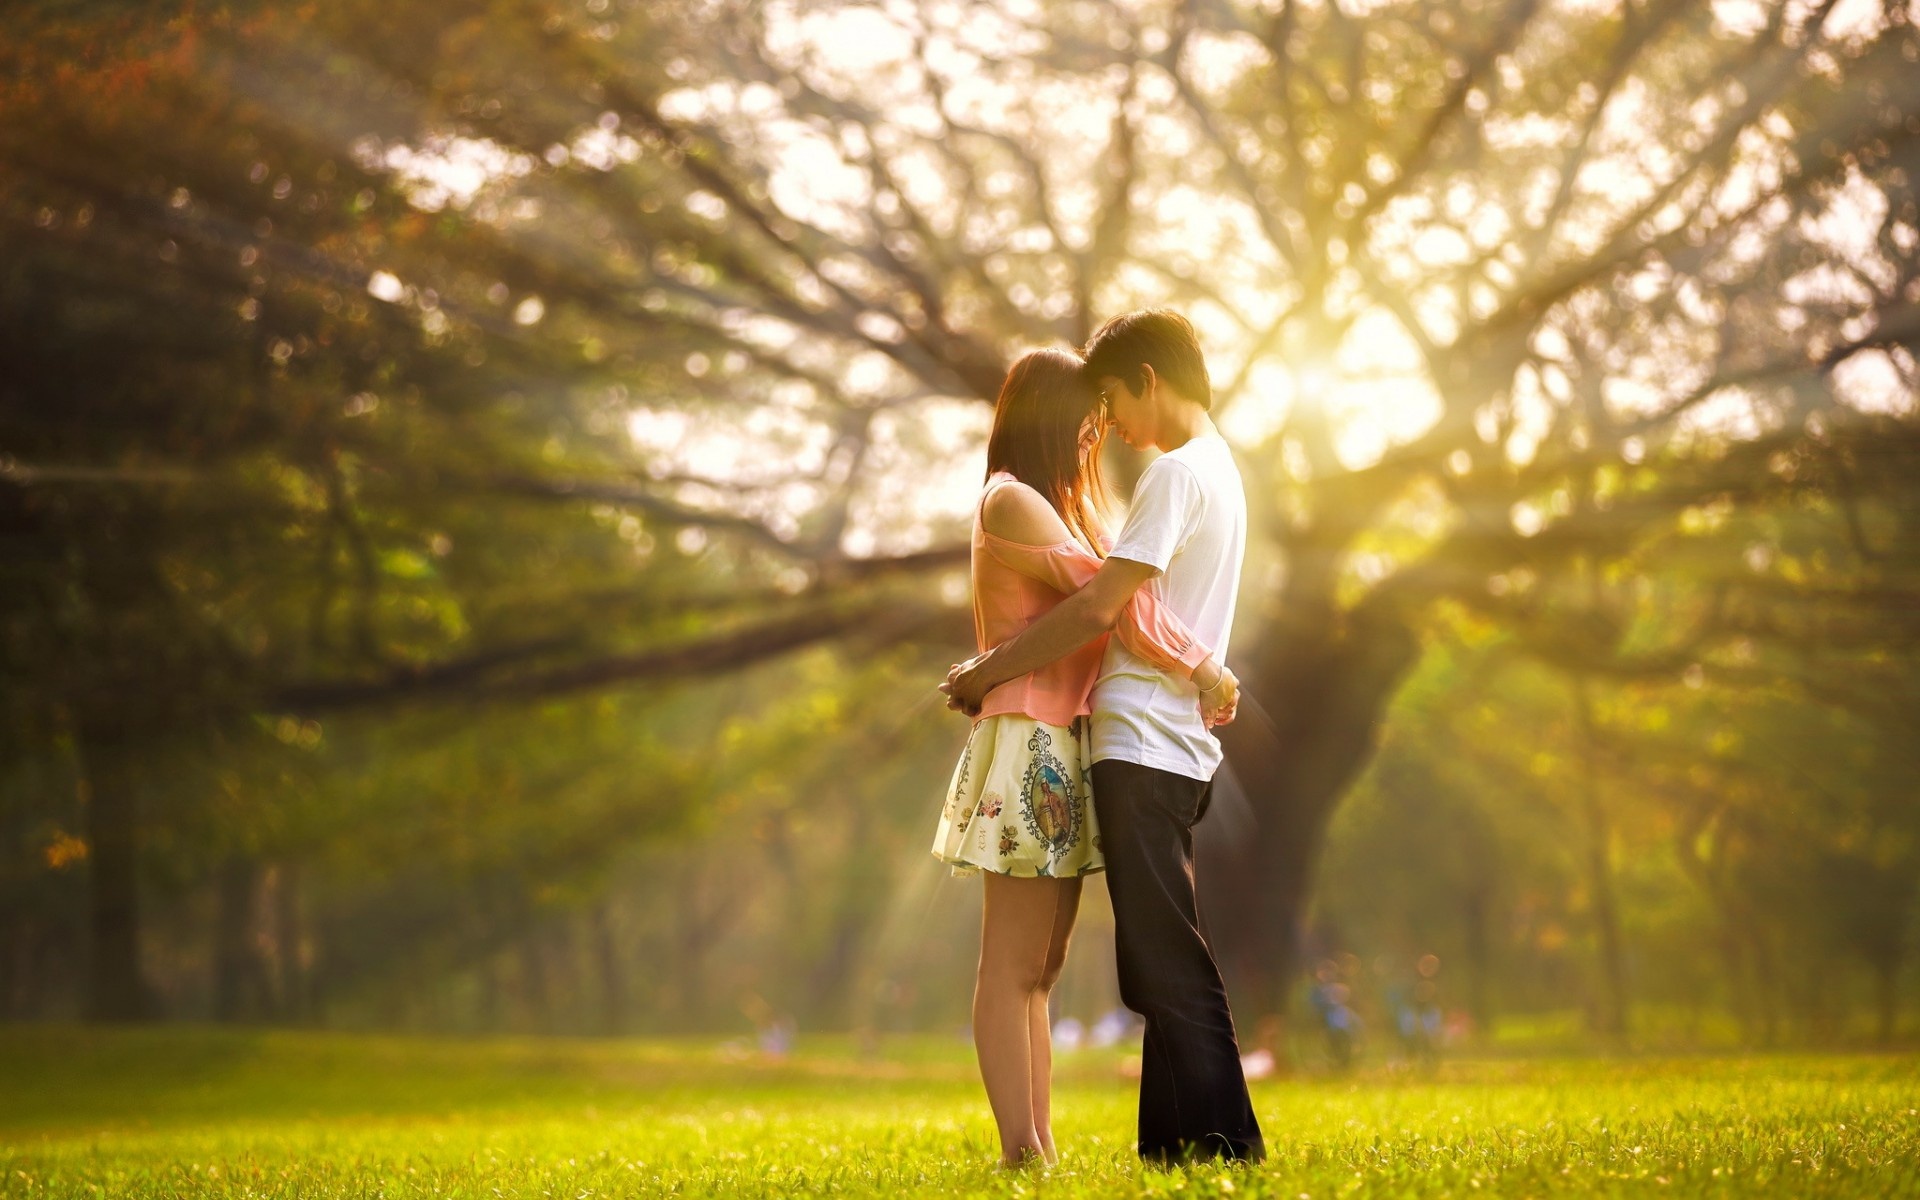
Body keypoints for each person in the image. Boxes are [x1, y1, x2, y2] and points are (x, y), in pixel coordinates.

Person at [944, 309, 1264, 1165]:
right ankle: (1027, 1151)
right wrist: (1205, 666)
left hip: (1069, 743)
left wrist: (1199, 666)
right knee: (1012, 966)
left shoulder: (1090, 502)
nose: (1102, 431)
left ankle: (1053, 1148)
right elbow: (1108, 602)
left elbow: (1110, 604)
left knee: (1042, 971)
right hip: (1031, 744)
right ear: (1054, 416)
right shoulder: (1012, 499)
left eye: (1108, 408)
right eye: (1087, 417)